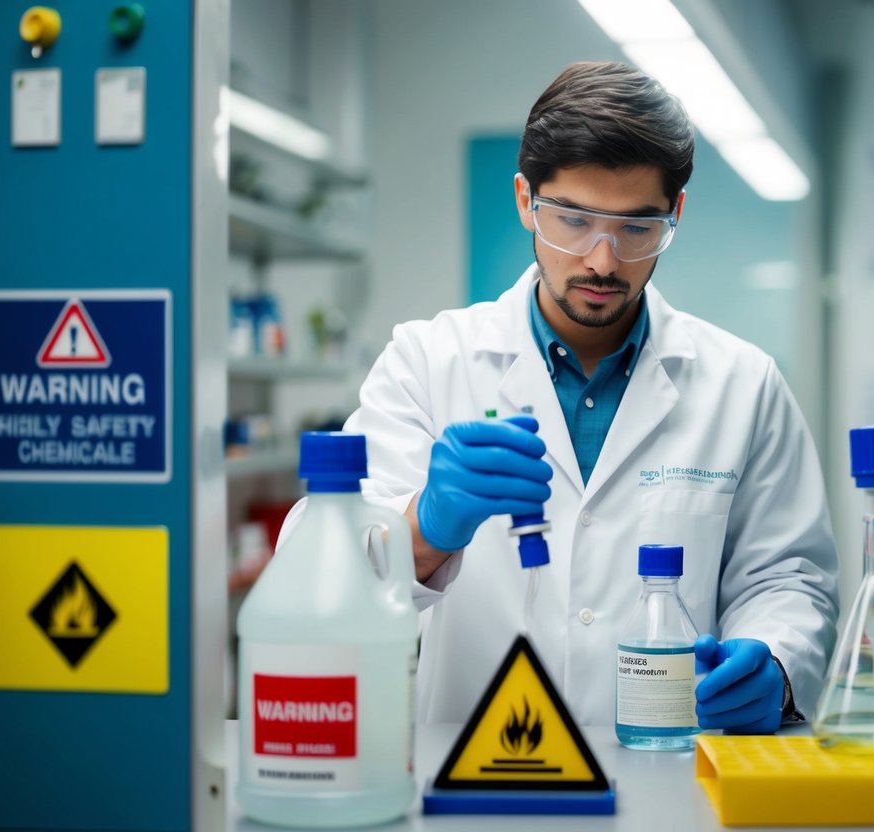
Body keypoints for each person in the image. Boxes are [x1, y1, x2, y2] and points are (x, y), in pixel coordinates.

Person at [347, 61, 839, 732]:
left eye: (637, 228)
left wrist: (776, 664)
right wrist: (423, 528)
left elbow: (787, 579)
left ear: (675, 214)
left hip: (674, 779)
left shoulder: (743, 383)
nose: (602, 260)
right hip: (479, 776)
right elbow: (331, 579)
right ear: (526, 200)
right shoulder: (425, 363)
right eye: (573, 220)